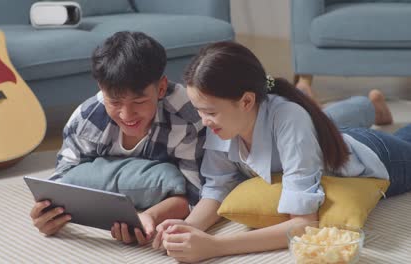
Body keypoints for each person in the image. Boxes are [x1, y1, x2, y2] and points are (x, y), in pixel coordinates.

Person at [152, 41, 411, 263]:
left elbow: (304, 224)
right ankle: (373, 108)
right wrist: (190, 226)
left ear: (246, 101)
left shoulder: (289, 119)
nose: (203, 121)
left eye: (209, 112)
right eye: (199, 110)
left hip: (377, 155)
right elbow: (217, 187)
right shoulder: (221, 122)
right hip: (327, 141)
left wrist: (215, 246)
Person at [29, 31, 205, 245]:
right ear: (101, 90)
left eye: (139, 102)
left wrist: (150, 216)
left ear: (161, 88)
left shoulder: (186, 118)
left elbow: (195, 194)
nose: (126, 115)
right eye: (114, 102)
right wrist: (49, 214)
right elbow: (63, 179)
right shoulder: (88, 120)